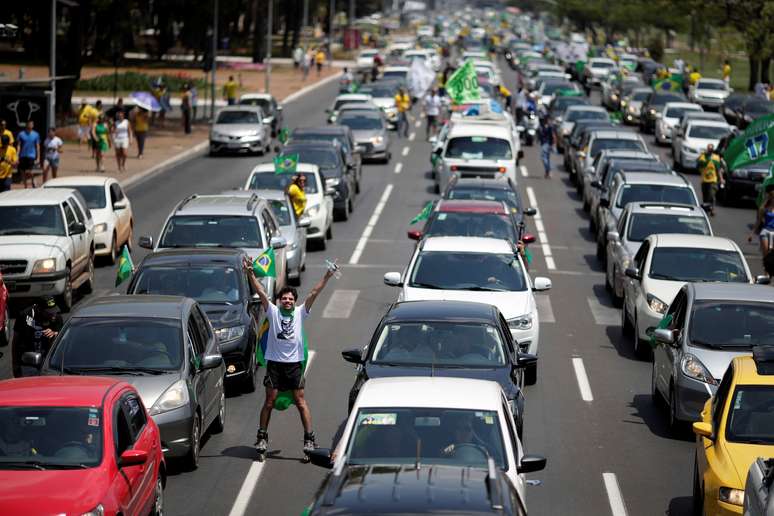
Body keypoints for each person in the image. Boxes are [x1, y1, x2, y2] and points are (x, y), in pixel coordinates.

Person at [244, 258, 336, 457]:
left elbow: (313, 293)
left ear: (294, 302)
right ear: (279, 301)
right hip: (275, 365)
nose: (287, 301)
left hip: (294, 366)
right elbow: (260, 292)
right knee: (269, 401)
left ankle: (309, 439)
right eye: (284, 298)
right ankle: (261, 437)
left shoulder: (301, 313)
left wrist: (327, 276)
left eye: (291, 299)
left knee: (300, 402)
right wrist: (251, 273)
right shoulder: (273, 312)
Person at [11, 296, 63, 378]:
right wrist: (15, 364)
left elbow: (62, 341)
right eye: (49, 312)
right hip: (27, 362)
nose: (53, 315)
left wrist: (54, 334)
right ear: (39, 309)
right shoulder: (25, 316)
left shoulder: (57, 318)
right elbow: (15, 341)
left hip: (47, 362)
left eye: (54, 311)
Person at [697, 143, 724, 216]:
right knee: (705, 196)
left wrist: (721, 179)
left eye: (711, 149)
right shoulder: (703, 157)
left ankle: (712, 209)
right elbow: (698, 165)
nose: (710, 150)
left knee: (712, 195)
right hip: (704, 179)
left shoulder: (716, 158)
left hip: (713, 180)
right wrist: (700, 159)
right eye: (709, 149)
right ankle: (706, 209)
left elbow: (718, 170)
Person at [751, 183, 774, 264]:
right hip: (765, 231)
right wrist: (752, 233)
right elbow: (758, 221)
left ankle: (770, 272)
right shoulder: (765, 208)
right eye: (772, 196)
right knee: (766, 255)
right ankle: (766, 273)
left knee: (772, 255)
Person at [16, 120, 40, 188]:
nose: (31, 125)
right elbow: (19, 145)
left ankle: (33, 180)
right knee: (22, 171)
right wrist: (17, 155)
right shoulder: (21, 134)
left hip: (31, 155)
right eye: (29, 124)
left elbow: (38, 146)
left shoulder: (36, 134)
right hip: (22, 155)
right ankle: (25, 186)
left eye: (32, 124)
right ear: (26, 125)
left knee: (30, 171)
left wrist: (38, 157)